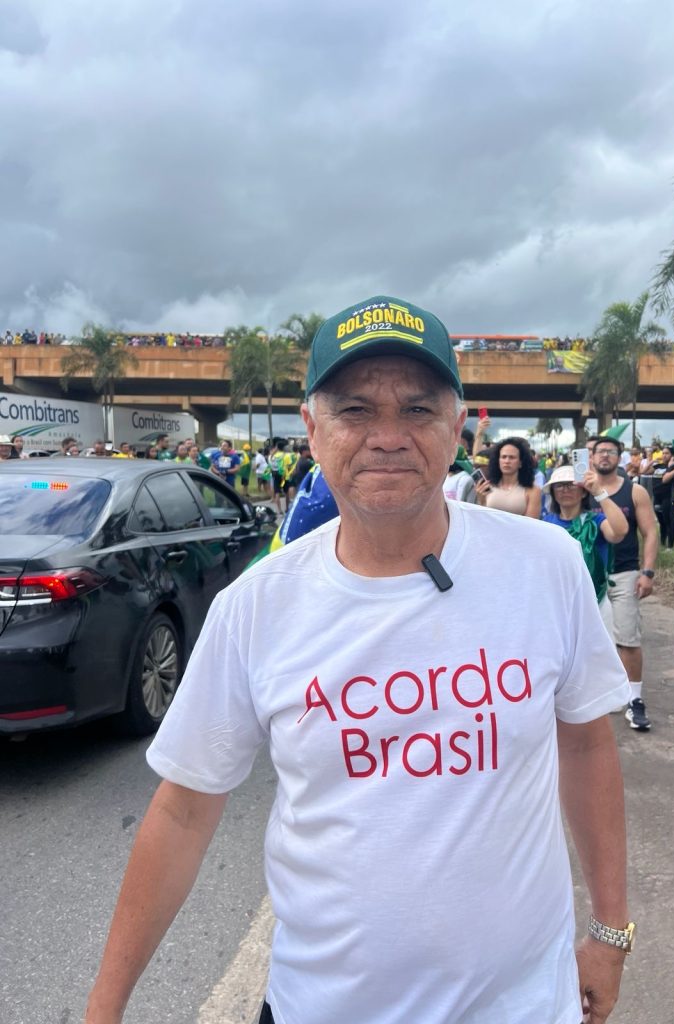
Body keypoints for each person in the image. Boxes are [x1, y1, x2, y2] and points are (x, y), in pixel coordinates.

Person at [86, 295, 633, 1024]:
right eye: (354, 411)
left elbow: (587, 744)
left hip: (525, 1004)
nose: (388, 437)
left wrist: (609, 931)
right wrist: (105, 1008)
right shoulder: (257, 608)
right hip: (322, 1007)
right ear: (313, 431)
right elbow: (184, 812)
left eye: (418, 409)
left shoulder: (545, 565)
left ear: (457, 428)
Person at [589, 436, 659, 732]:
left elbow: (650, 531)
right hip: (588, 576)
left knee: (627, 637)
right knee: (591, 640)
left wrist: (648, 572)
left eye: (611, 452)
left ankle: (635, 699)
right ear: (591, 456)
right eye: (600, 451)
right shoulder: (581, 488)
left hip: (624, 572)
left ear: (620, 457)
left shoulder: (634, 491)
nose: (605, 456)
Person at [542, 463, 628, 630]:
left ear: (583, 492)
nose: (565, 490)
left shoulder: (595, 521)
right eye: (559, 486)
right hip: (557, 601)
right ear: (553, 492)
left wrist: (599, 493)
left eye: (571, 485)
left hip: (594, 600)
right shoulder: (546, 523)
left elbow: (619, 532)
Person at [474, 435, 542, 518]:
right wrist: (481, 501)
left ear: (521, 463)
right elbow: (481, 518)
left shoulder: (533, 490)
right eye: (503, 457)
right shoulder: (487, 486)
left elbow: (531, 523)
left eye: (512, 457)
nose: (507, 461)